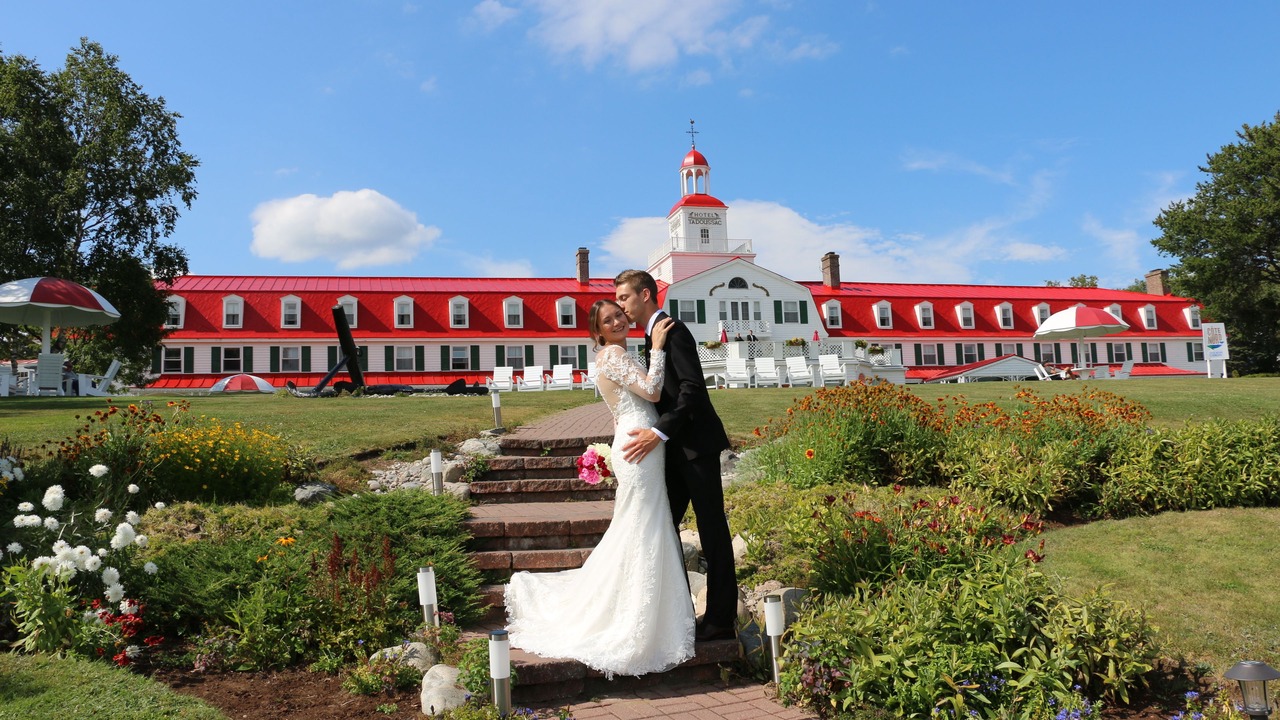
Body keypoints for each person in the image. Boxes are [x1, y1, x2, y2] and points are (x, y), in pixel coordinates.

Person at [504, 299, 695, 677]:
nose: (619, 321)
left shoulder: (615, 354)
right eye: (609, 320)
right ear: (599, 332)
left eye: (620, 314)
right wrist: (657, 349)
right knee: (643, 523)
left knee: (643, 522)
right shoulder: (612, 355)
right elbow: (653, 392)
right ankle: (633, 614)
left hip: (638, 440)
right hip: (639, 444)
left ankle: (649, 608)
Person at [614, 269, 736, 643]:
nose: (621, 306)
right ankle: (675, 614)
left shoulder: (674, 330)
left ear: (646, 294)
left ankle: (719, 619)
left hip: (695, 445)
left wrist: (658, 431)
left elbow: (691, 390)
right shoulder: (654, 335)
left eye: (624, 298)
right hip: (673, 451)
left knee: (712, 529)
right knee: (661, 527)